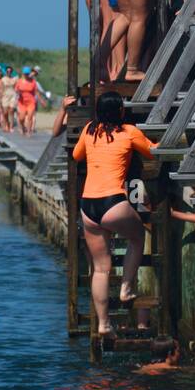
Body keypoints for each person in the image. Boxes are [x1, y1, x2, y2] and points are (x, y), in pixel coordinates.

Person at [67, 91, 157, 339]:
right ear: (120, 111)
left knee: (101, 268)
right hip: (113, 202)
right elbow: (151, 152)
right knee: (138, 238)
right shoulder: (128, 131)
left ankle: (104, 324)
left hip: (88, 206)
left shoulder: (89, 130)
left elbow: (76, 156)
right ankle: (126, 288)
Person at [15, 66, 40, 136]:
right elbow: (16, 90)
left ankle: (29, 131)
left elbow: (36, 92)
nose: (26, 75)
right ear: (23, 74)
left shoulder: (33, 82)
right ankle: (23, 127)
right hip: (22, 102)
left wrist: (41, 101)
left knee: (30, 116)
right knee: (21, 118)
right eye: (25, 74)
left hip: (31, 102)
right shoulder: (19, 81)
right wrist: (18, 93)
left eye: (27, 74)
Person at [0, 66, 18, 133]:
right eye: (7, 71)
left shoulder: (14, 79)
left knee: (11, 111)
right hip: (5, 96)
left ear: (11, 72)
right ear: (6, 72)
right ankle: (6, 124)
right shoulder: (3, 79)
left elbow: (17, 87)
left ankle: (10, 126)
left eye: (10, 71)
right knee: (5, 112)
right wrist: (0, 98)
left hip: (13, 95)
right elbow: (1, 89)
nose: (9, 72)